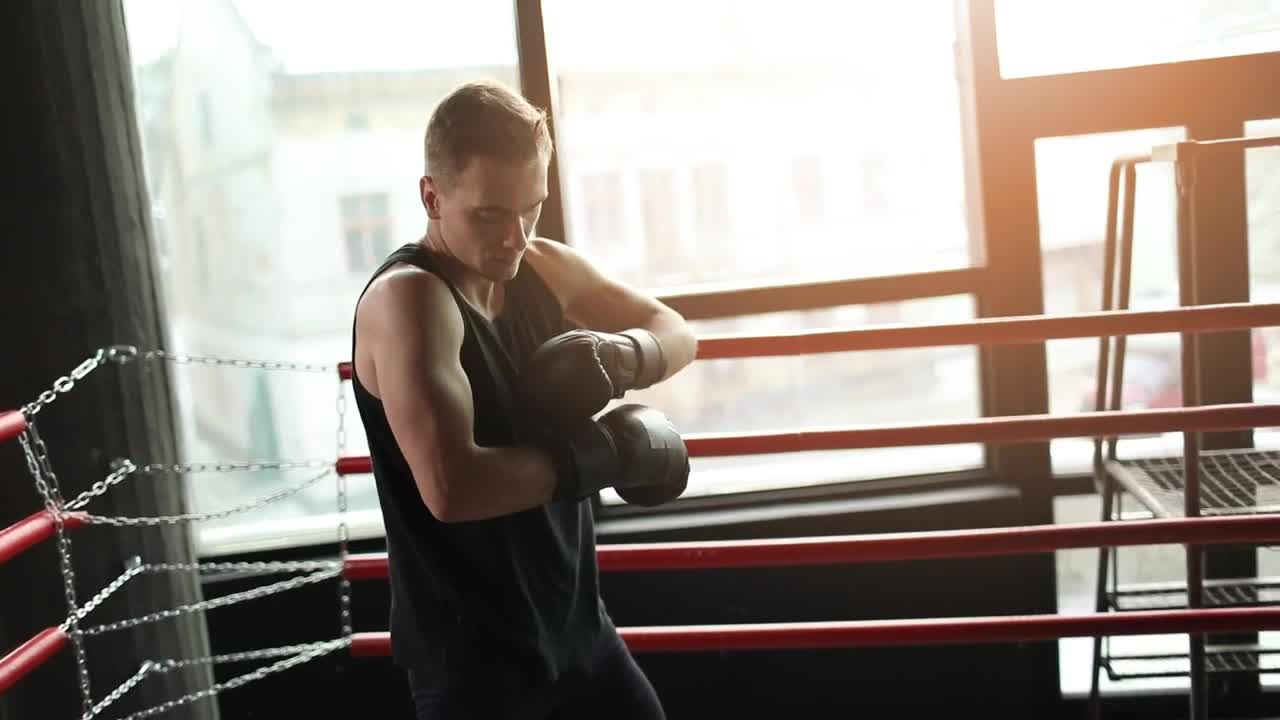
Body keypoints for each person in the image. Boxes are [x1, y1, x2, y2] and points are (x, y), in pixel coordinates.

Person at [350, 79, 698, 720]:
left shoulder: (541, 265)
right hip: (479, 672)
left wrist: (623, 355)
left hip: (578, 632)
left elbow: (676, 331)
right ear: (432, 195)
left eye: (530, 207)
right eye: (489, 214)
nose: (515, 235)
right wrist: (604, 456)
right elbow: (452, 488)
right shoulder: (412, 300)